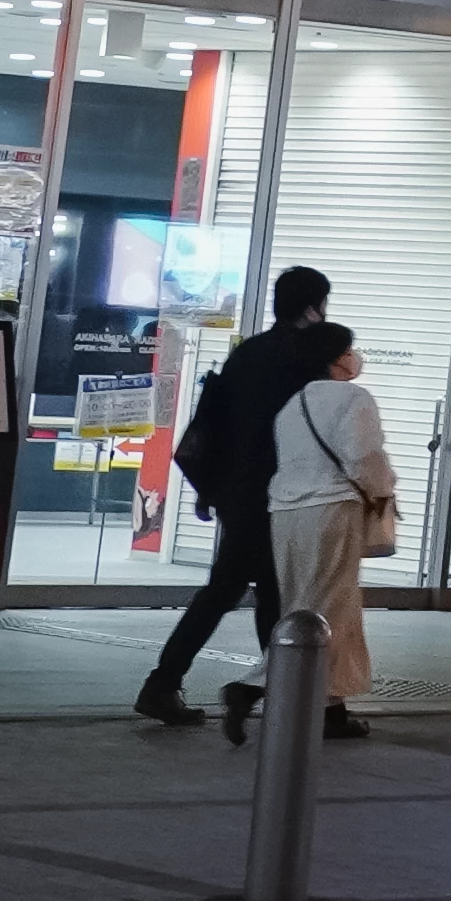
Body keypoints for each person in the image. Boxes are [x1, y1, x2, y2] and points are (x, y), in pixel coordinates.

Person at [141, 264, 342, 722]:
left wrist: (210, 490)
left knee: (261, 594)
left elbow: (219, 425)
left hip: (238, 492)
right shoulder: (306, 361)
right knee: (266, 594)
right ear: (313, 308)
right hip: (279, 495)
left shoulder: (247, 352)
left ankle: (284, 698)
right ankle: (290, 702)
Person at [220, 326, 400, 746]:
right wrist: (382, 492)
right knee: (324, 610)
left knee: (314, 607)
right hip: (332, 510)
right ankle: (250, 686)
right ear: (337, 357)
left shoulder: (292, 404)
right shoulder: (354, 398)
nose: (355, 356)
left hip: (285, 511)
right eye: (350, 349)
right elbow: (364, 456)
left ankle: (330, 711)